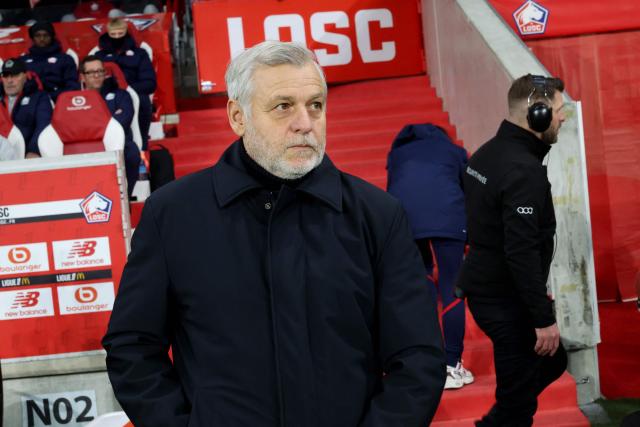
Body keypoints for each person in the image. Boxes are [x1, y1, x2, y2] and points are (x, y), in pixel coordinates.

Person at [103, 40, 446, 427]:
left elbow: (418, 356)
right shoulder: (173, 214)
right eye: (283, 106)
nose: (305, 122)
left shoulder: (378, 216)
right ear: (238, 116)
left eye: (315, 105)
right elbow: (132, 347)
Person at [456, 74, 568, 426]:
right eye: (559, 110)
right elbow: (521, 252)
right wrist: (542, 318)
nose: (563, 118)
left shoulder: (489, 153)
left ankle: (504, 411)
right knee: (518, 409)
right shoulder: (522, 170)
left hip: (489, 289)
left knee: (552, 362)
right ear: (536, 114)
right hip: (505, 302)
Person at [387, 123, 474, 390]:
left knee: (421, 286)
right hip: (448, 217)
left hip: (404, 220)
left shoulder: (397, 155)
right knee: (451, 286)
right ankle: (451, 365)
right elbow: (469, 189)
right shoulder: (454, 151)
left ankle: (425, 362)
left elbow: (394, 188)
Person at [80, 55, 140, 196]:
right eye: (91, 72)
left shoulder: (121, 95)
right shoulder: (75, 99)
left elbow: (124, 119)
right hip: (86, 146)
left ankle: (124, 197)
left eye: (100, 71)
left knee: (132, 153)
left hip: (118, 145)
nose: (96, 76)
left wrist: (94, 127)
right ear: (82, 77)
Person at [95, 17, 156, 149]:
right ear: (107, 35)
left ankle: (142, 148)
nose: (117, 37)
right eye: (113, 34)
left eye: (120, 34)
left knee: (142, 100)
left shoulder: (140, 54)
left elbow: (150, 83)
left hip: (134, 94)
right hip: (107, 96)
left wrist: (127, 89)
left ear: (127, 34)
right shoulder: (99, 57)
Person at [0, 58, 52, 159]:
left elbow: (43, 125)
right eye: (5, 76)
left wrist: (33, 150)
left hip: (26, 155)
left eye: (15, 75)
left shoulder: (39, 98)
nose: (10, 80)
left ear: (25, 76)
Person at [23, 21, 80, 102]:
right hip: (31, 102)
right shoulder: (23, 61)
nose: (42, 39)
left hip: (59, 101)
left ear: (52, 37)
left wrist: (54, 97)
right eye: (37, 35)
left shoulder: (65, 59)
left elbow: (72, 85)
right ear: (32, 38)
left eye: (45, 35)